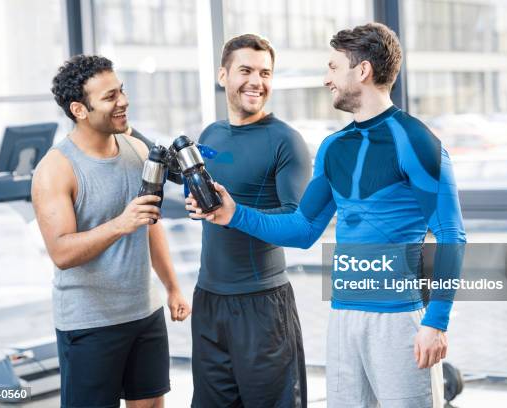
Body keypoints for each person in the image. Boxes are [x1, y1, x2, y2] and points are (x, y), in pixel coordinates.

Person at [187, 23, 466, 408]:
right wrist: (234, 214)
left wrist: (437, 321)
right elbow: (302, 229)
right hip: (344, 315)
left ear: (363, 71)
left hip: (399, 318)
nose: (326, 78)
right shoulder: (334, 147)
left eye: (333, 67)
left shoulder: (415, 139)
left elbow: (452, 234)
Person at [32, 54, 190, 408]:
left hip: (144, 313)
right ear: (79, 109)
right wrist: (121, 223)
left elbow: (150, 226)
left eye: (121, 90)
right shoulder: (56, 169)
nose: (123, 101)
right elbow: (61, 253)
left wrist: (173, 287)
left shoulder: (136, 150)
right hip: (89, 322)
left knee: (150, 404)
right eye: (109, 97)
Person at [190, 34, 311, 408]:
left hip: (262, 307)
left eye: (265, 73)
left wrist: (234, 214)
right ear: (223, 74)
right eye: (246, 70)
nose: (256, 82)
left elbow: (299, 221)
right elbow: (213, 203)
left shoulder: (286, 141)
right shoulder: (210, 134)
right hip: (209, 299)